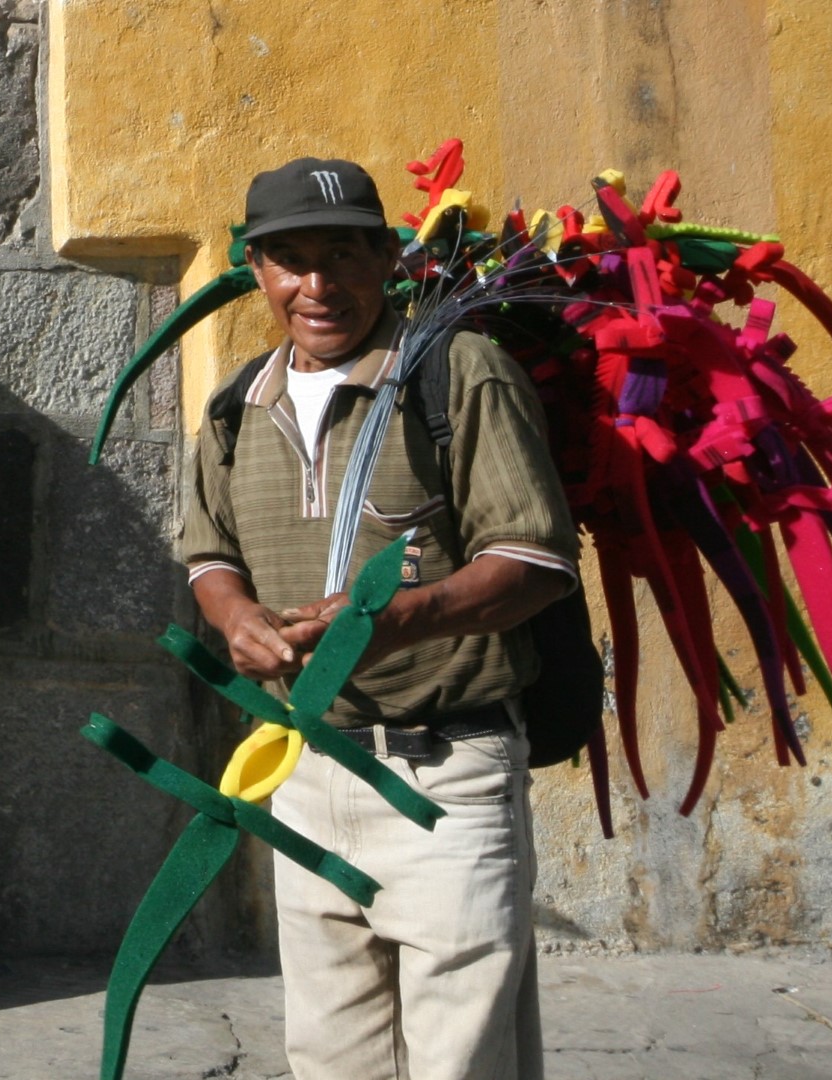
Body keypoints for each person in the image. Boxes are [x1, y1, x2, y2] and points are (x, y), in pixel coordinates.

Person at [181, 158, 581, 1080]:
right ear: (256, 269)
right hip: (305, 767)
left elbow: (534, 560)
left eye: (342, 255)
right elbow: (208, 552)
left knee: (459, 1056)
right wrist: (234, 613)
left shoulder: (458, 374)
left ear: (387, 259)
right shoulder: (239, 404)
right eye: (288, 260)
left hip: (445, 774)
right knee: (330, 1052)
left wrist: (402, 618)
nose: (316, 286)